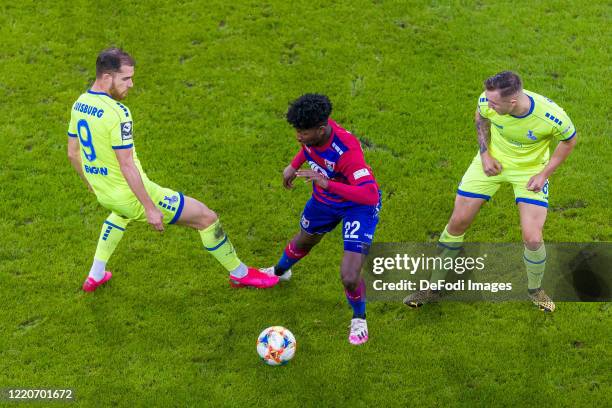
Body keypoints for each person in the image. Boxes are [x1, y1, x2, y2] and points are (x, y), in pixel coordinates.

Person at [67, 47, 278, 292]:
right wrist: (149, 208)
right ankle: (240, 274)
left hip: (106, 193)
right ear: (106, 78)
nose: (131, 84)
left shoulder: (79, 104)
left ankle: (96, 275)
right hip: (132, 195)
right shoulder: (118, 112)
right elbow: (126, 164)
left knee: (120, 213)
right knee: (207, 218)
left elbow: (73, 153)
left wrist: (91, 185)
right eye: (125, 78)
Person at [404, 71, 577, 312]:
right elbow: (480, 117)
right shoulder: (488, 101)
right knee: (458, 221)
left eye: (495, 103)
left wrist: (544, 174)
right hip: (491, 161)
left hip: (529, 171)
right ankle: (432, 288)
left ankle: (535, 290)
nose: (488, 105)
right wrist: (485, 153)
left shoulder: (551, 116)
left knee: (533, 238)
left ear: (513, 102)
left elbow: (569, 141)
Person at [262, 94, 382, 344]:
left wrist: (327, 183)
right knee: (304, 241)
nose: (298, 136)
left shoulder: (347, 151)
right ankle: (280, 272)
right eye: (297, 130)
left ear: (320, 129)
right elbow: (307, 148)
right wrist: (293, 165)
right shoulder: (315, 131)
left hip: (356, 206)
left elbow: (369, 194)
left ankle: (359, 317)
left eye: (302, 132)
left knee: (349, 276)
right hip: (324, 201)